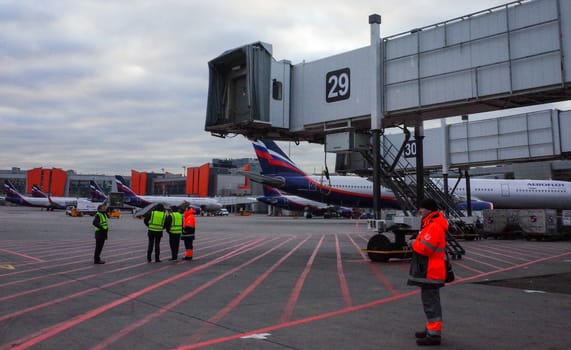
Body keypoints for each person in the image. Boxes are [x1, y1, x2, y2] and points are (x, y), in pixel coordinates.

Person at [408, 197, 448, 346]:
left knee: (431, 303)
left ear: (429, 210)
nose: (420, 211)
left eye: (422, 208)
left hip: (431, 271)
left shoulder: (434, 226)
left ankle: (434, 335)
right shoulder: (430, 224)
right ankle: (430, 328)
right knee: (429, 302)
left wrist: (413, 243)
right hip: (429, 270)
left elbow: (425, 249)